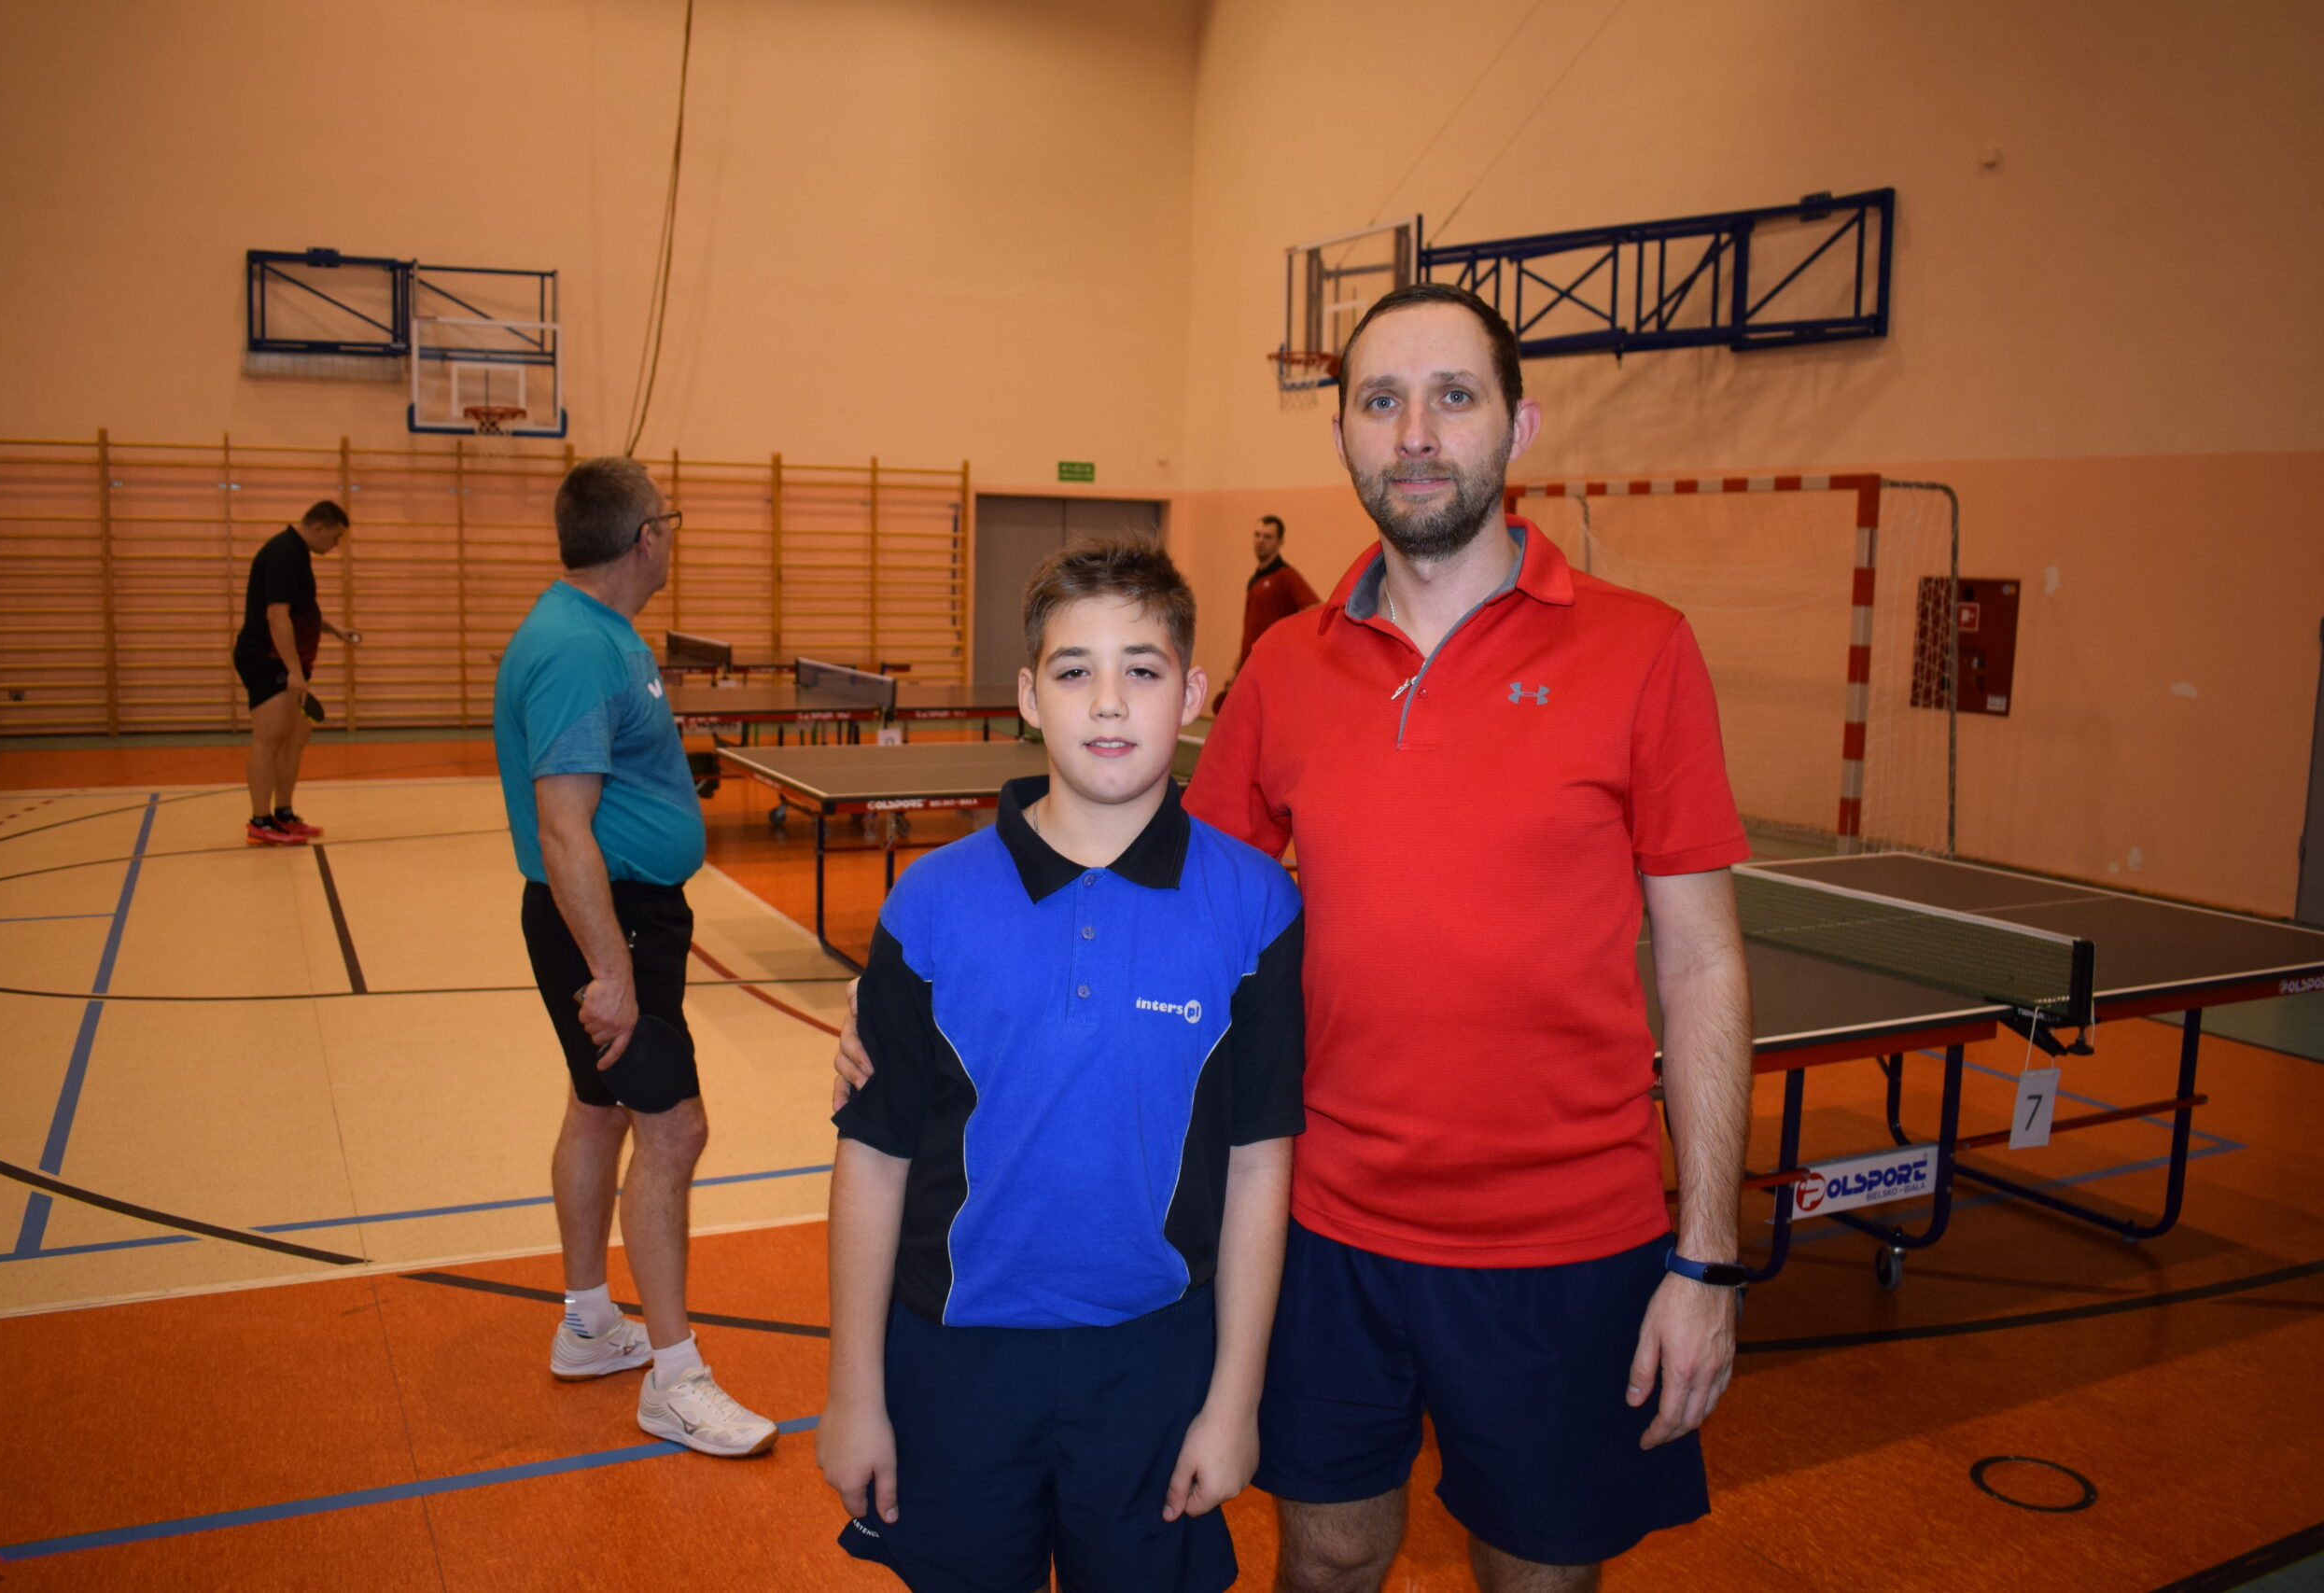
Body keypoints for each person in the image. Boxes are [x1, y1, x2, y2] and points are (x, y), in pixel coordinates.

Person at [838, 283, 1754, 1593]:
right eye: (1382, 401)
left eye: (1453, 396)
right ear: (1343, 436)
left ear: (1520, 423)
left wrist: (1706, 1253)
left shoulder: (1642, 650)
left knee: (1540, 1573)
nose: (1416, 433)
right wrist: (903, 1016)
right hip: (1327, 1226)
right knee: (1326, 1549)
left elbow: (1704, 962)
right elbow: (1155, 891)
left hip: (1565, 1237)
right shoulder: (1285, 670)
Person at [815, 538, 1307, 1593]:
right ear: (1030, 697)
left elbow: (1261, 1164)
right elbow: (874, 1158)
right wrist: (854, 1390)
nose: (1110, 702)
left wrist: (1234, 1399)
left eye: (1144, 669)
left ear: (1194, 695)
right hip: (952, 1358)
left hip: (1156, 1361)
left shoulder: (1257, 906)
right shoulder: (930, 902)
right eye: (1075, 670)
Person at [494, 455, 778, 1459]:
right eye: (669, 519)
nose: (673, 534)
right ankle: (675, 1380)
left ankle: (587, 1325)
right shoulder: (580, 648)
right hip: (609, 921)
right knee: (674, 1130)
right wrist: (611, 971)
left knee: (598, 1108)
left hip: (618, 913)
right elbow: (563, 826)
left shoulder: (595, 630)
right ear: (644, 539)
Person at [232, 501, 361, 845]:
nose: (335, 545)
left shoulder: (297, 552)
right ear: (319, 526)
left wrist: (333, 629)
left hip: (287, 662)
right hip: (267, 659)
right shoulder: (284, 553)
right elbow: (277, 616)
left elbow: (299, 610)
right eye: (335, 537)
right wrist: (293, 671)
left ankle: (284, 815)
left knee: (296, 736)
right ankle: (260, 822)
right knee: (269, 739)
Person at [1211, 514, 1319, 714]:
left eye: (1267, 537)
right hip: (1250, 668)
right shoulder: (1254, 581)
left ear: (1280, 542)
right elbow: (1252, 629)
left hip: (1273, 670)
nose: (1260, 541)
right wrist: (1236, 670)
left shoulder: (1287, 576)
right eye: (1257, 535)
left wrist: (1289, 645)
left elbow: (1314, 608)